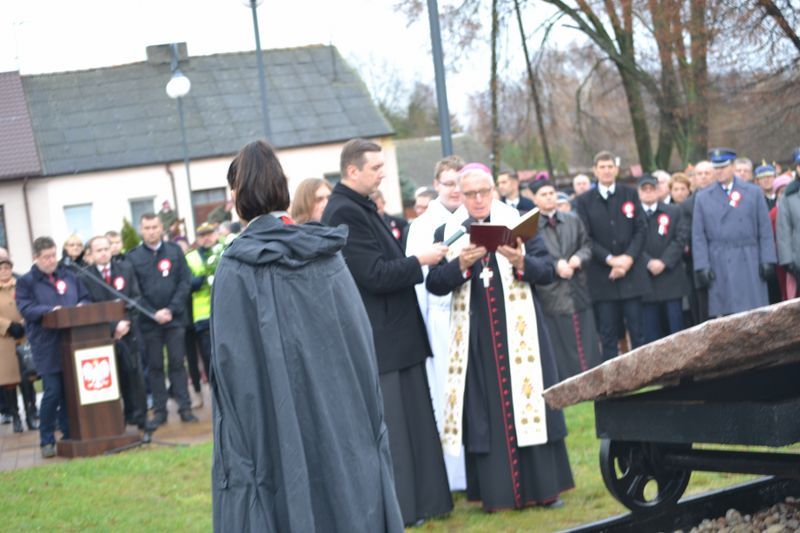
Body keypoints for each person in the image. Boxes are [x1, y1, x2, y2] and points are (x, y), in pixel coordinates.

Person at [211, 139, 403, 532]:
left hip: (275, 429)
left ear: (236, 196)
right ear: (282, 187)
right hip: (339, 416)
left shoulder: (237, 267)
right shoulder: (326, 256)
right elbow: (359, 344)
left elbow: (232, 375)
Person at [426, 165, 574, 511]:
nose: (478, 199)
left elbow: (547, 272)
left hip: (522, 334)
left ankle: (544, 489)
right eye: (470, 194)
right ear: (460, 195)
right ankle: (496, 494)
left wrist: (521, 261)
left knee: (530, 403)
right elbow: (434, 283)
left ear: (493, 190)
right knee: (486, 413)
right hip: (476, 338)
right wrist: (460, 265)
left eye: (484, 192)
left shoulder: (518, 221)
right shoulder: (448, 231)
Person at [322, 138, 452, 526]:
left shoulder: (360, 205)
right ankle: (406, 508)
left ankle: (429, 502)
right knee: (397, 432)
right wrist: (420, 260)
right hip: (383, 340)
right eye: (376, 167)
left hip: (398, 337)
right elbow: (374, 275)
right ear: (352, 170)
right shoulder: (343, 211)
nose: (383, 173)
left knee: (417, 425)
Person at [405, 154, 467, 491]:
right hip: (440, 319)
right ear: (436, 185)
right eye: (448, 183)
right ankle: (455, 475)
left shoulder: (477, 215)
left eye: (460, 183)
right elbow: (416, 281)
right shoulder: (422, 225)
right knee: (446, 394)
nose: (455, 190)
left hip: (474, 315)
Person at [15, 236, 90, 458]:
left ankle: (68, 434)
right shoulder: (26, 282)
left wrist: (81, 306)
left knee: (70, 391)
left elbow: (86, 297)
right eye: (46, 257)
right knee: (53, 391)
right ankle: (46, 439)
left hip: (73, 340)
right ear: (35, 257)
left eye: (53, 255)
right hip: (47, 344)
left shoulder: (69, 275)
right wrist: (50, 311)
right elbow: (26, 308)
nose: (51, 261)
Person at [574, 151, 650, 360]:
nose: (607, 171)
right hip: (603, 278)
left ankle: (642, 372)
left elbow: (641, 229)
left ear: (616, 169)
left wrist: (628, 259)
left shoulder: (630, 194)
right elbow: (585, 236)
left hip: (631, 275)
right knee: (608, 334)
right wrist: (610, 259)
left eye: (610, 167)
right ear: (595, 170)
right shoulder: (584, 201)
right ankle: (611, 377)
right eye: (602, 167)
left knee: (638, 331)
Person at [126, 213, 197, 426]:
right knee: (155, 367)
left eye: (155, 227)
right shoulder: (133, 257)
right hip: (149, 323)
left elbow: (185, 281)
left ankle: (185, 408)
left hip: (175, 319)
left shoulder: (174, 251)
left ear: (161, 228)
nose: (151, 231)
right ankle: (160, 411)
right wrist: (153, 313)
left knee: (177, 363)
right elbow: (134, 291)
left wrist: (171, 309)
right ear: (141, 230)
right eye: (147, 228)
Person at [82, 236, 155, 441]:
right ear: (90, 254)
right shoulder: (85, 277)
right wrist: (113, 327)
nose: (104, 253)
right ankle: (116, 420)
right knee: (110, 378)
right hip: (102, 337)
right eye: (99, 250)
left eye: (106, 248)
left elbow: (136, 298)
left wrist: (124, 323)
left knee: (135, 376)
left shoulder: (125, 269)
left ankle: (141, 419)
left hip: (129, 334)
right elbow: (88, 307)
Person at [530, 180, 602, 380]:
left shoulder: (572, 219)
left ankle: (592, 381)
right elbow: (530, 256)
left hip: (577, 288)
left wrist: (578, 258)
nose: (549, 197)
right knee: (560, 345)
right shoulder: (531, 226)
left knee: (587, 341)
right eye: (543, 194)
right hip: (551, 293)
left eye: (551, 193)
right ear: (535, 199)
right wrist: (555, 265)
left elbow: (587, 245)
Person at [693, 148, 776, 317]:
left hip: (749, 258)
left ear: (732, 166)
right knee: (727, 316)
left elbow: (765, 230)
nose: (719, 171)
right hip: (719, 261)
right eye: (716, 168)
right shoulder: (703, 197)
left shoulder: (753, 192)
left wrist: (768, 259)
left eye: (723, 167)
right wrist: (702, 266)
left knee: (754, 313)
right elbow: (698, 235)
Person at [637, 175, 689, 343]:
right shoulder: (632, 215)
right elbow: (631, 241)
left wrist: (664, 261)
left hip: (671, 279)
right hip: (645, 282)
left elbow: (680, 238)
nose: (648, 192)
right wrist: (647, 262)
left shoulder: (673, 211)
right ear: (639, 192)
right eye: (644, 189)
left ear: (658, 190)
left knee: (676, 331)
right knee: (651, 334)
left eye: (652, 188)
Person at [185, 222, 224, 406]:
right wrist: (202, 278)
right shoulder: (191, 257)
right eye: (202, 235)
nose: (206, 238)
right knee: (209, 356)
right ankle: (215, 393)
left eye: (209, 234)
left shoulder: (224, 250)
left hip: (224, 311)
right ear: (198, 238)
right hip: (203, 315)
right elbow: (187, 284)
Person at [681, 160, 715, 326]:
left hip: (724, 259)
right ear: (693, 178)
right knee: (704, 314)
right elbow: (687, 235)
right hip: (698, 264)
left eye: (707, 173)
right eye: (699, 174)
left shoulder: (724, 198)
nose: (703, 177)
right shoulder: (687, 205)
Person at [0, 255, 25, 433]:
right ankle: (15, 415)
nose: (3, 271)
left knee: (28, 377)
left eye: (7, 268)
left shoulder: (21, 285)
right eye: (0, 269)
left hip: (25, 337)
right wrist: (8, 325)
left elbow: (29, 303)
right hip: (4, 340)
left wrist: (25, 322)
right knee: (9, 381)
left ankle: (31, 413)